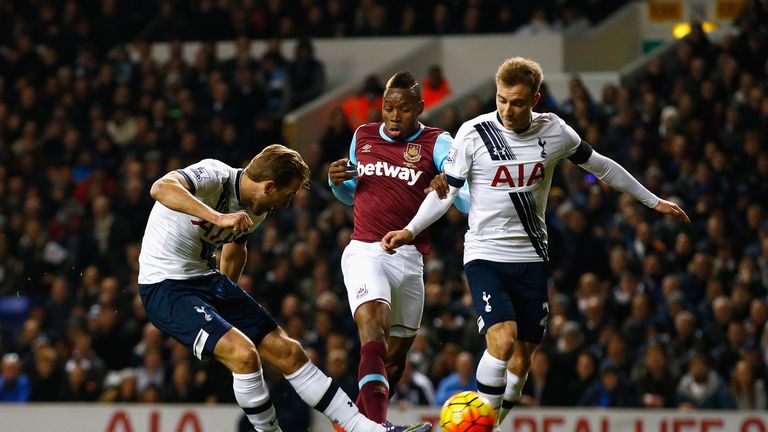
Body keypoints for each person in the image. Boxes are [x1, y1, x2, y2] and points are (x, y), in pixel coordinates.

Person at [382, 57, 690, 429]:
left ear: (535, 99)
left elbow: (602, 166)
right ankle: (483, 425)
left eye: (517, 102)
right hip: (484, 255)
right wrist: (410, 230)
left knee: (523, 357)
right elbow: (447, 192)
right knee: (503, 339)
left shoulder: (555, 131)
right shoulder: (473, 134)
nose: (507, 110)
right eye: (501, 100)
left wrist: (652, 201)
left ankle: (490, 420)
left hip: (531, 257)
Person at [138, 144, 431, 432]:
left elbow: (235, 250)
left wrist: (223, 305)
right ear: (268, 187)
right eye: (287, 194)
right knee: (244, 355)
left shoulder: (255, 212)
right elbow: (160, 188)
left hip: (207, 281)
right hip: (165, 285)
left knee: (290, 352)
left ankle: (367, 430)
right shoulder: (214, 175)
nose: (287, 203)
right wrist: (217, 217)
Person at [328, 71, 469, 425]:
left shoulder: (438, 143)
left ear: (420, 108)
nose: (393, 115)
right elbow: (352, 194)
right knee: (373, 327)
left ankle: (357, 423)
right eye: (387, 107)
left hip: (409, 259)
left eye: (403, 109)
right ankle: (378, 427)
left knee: (394, 360)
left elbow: (466, 200)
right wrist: (336, 184)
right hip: (365, 249)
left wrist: (447, 190)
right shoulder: (363, 135)